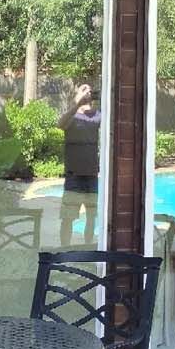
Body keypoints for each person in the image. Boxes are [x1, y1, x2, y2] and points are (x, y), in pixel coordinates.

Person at [58, 82, 102, 246]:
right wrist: (77, 104)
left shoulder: (98, 115)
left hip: (91, 176)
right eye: (83, 89)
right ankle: (64, 251)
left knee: (92, 217)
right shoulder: (72, 116)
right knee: (67, 218)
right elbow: (60, 124)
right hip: (73, 176)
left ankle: (89, 248)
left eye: (89, 90)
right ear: (76, 94)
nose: (87, 92)